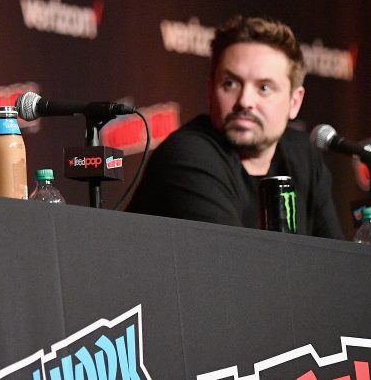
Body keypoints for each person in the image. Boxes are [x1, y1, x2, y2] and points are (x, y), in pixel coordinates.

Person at [128, 15, 342, 238]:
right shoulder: (188, 155)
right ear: (210, 89)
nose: (245, 101)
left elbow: (336, 262)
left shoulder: (303, 156)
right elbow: (233, 266)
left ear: (294, 102)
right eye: (230, 84)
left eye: (264, 88)